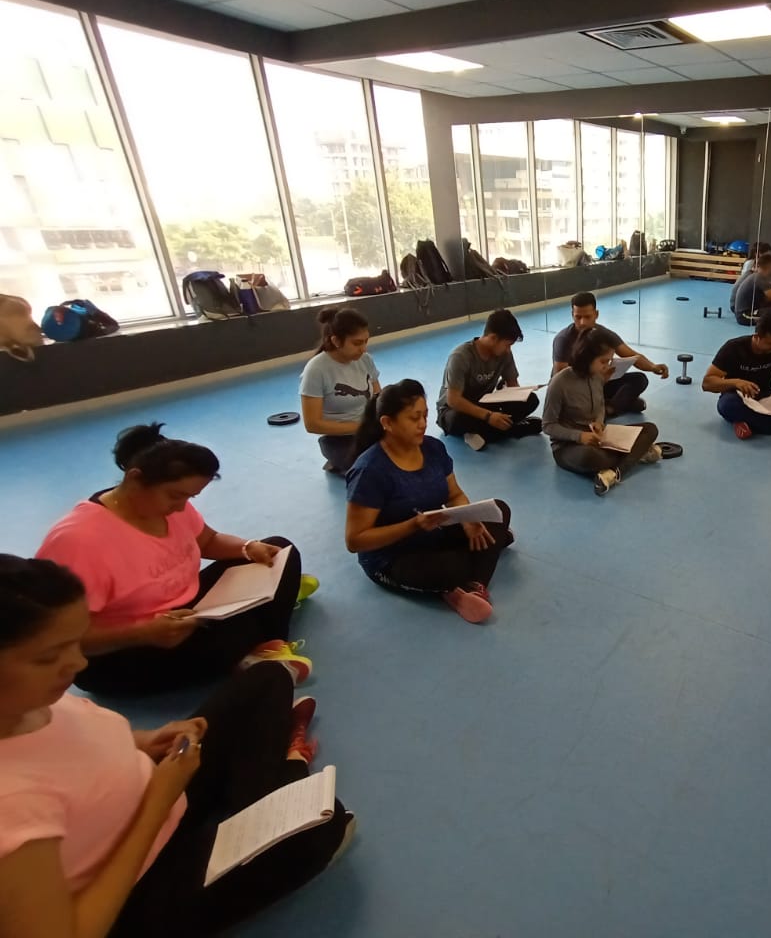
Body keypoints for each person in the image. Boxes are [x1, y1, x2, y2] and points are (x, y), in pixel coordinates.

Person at [0, 555, 352, 938]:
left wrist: (145, 741)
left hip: (154, 797)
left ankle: (266, 795)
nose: (77, 663)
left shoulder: (25, 700)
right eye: (49, 657)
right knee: (323, 825)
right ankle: (281, 778)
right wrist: (159, 801)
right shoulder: (12, 804)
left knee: (269, 677)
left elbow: (67, 744)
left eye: (75, 643)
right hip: (132, 887)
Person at [36, 424, 310, 697]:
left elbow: (208, 541)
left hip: (184, 612)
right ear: (134, 479)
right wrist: (143, 633)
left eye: (189, 497)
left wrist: (248, 548)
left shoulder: (169, 506)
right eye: (176, 496)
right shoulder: (77, 541)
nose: (181, 507)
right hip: (118, 651)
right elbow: (58, 636)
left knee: (279, 551)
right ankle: (260, 641)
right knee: (233, 634)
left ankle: (262, 645)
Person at [347, 379, 513, 624]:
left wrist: (469, 520)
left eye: (425, 415)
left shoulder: (433, 448)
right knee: (453, 567)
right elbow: (356, 540)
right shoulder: (370, 471)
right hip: (391, 557)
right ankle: (466, 576)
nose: (423, 424)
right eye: (414, 418)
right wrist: (412, 526)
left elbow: (454, 494)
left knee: (498, 510)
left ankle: (473, 586)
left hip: (433, 534)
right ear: (387, 423)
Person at [543, 329, 661, 497]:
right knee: (589, 457)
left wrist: (599, 422)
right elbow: (548, 425)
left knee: (650, 429)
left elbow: (600, 407)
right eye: (603, 361)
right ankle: (633, 457)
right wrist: (580, 437)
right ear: (587, 358)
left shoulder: (597, 376)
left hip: (598, 438)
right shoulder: (559, 382)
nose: (607, 366)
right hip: (568, 447)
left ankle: (613, 472)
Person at [437, 309, 542, 452]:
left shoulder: (504, 354)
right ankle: (511, 430)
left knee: (531, 400)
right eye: (507, 345)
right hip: (455, 410)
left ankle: (482, 433)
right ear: (493, 338)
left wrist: (519, 396)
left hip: (484, 403)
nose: (508, 350)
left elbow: (513, 385)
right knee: (456, 419)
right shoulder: (461, 356)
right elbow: (453, 400)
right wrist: (489, 416)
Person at [550, 292, 669, 416]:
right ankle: (618, 404)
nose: (582, 322)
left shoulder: (604, 334)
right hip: (574, 389)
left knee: (639, 379)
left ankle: (609, 409)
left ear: (596, 314)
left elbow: (631, 355)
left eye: (587, 317)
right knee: (633, 402)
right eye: (578, 317)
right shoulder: (563, 339)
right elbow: (560, 377)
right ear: (572, 315)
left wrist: (653, 367)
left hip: (598, 383)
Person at [703, 314, 771, 439]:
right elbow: (707, 383)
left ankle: (751, 423)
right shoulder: (733, 348)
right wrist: (736, 382)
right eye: (769, 343)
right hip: (739, 398)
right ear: (757, 337)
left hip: (766, 397)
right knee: (727, 406)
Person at [299, 307, 382, 475]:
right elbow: (312, 424)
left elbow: (377, 396)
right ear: (336, 341)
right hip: (337, 439)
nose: (363, 349)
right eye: (357, 343)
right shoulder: (316, 370)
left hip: (367, 430)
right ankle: (337, 462)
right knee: (373, 469)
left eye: (366, 341)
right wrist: (360, 427)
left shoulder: (365, 360)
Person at [731, 252, 771, 325]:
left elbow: (770, 297)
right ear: (770, 267)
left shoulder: (759, 276)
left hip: (749, 308)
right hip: (744, 315)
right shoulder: (759, 278)